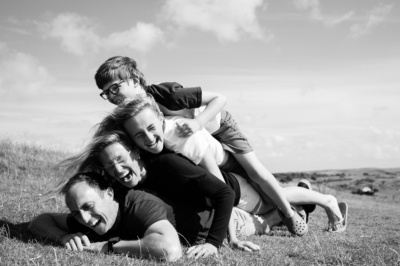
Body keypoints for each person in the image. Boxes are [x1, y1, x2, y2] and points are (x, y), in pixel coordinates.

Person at [93, 56, 306, 236]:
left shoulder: (167, 94)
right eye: (106, 93)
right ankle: (298, 200)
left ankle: (289, 213)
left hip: (221, 127)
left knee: (256, 174)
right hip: (205, 141)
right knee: (245, 185)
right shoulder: (135, 113)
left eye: (114, 88)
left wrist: (198, 123)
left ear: (134, 80)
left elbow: (220, 99)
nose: (111, 97)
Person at [93, 95, 348, 233]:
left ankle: (323, 201)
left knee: (266, 192)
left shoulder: (181, 137)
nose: (148, 138)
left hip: (225, 162)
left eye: (150, 129)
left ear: (159, 119)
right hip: (220, 167)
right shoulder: (148, 136)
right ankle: (301, 196)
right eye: (139, 135)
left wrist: (229, 234)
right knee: (265, 197)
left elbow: (217, 184)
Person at [29, 172, 185, 261]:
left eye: (88, 206)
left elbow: (169, 250)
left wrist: (106, 246)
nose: (84, 219)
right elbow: (39, 221)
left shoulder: (139, 205)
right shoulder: (84, 217)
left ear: (109, 194)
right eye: (75, 212)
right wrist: (63, 237)